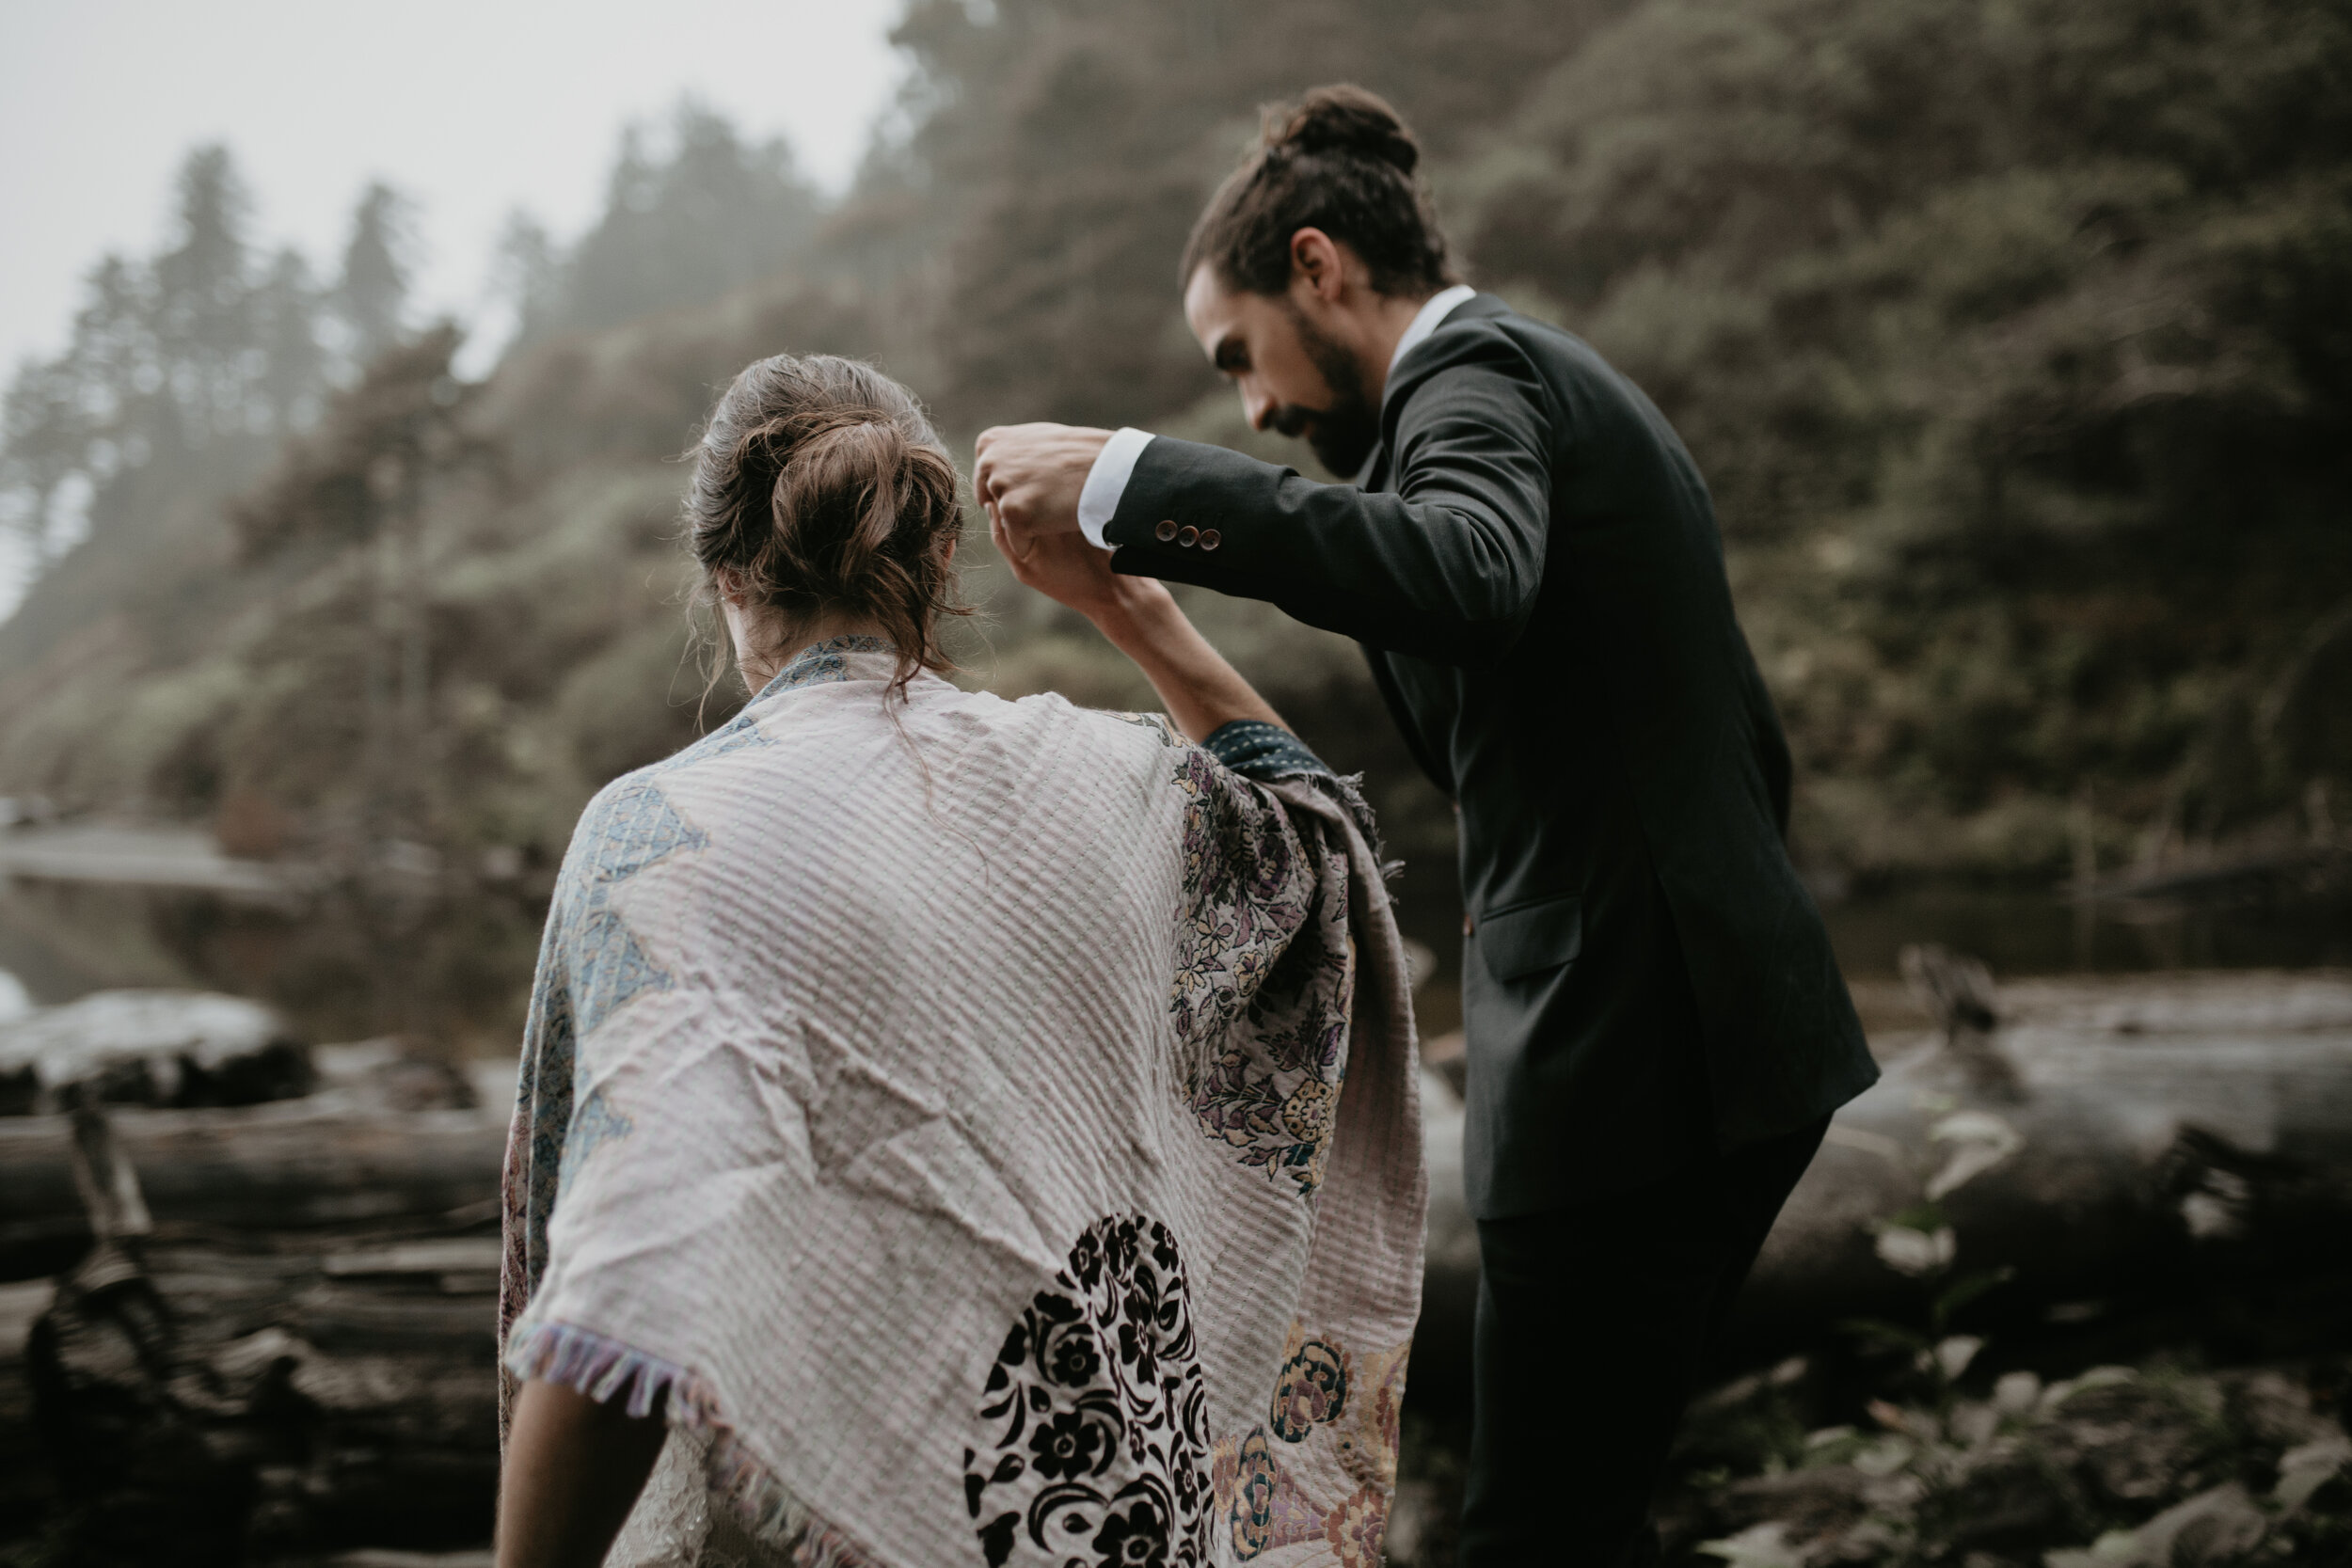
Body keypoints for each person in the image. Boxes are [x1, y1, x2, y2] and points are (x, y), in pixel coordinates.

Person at [975, 86, 1881, 1564]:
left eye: (1238, 356)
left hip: (1636, 1065)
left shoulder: (1477, 378)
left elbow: (1463, 575)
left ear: (1318, 269)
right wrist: (1134, 609)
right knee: (1580, 1509)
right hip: (1678, 1045)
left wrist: (1135, 477)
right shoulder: (1499, 404)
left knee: (1538, 1528)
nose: (1253, 405)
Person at [493, 353, 1426, 1568]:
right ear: (939, 560)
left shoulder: (664, 838)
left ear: (724, 578)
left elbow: (628, 1279)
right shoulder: (1121, 782)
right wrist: (1129, 607)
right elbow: (1317, 845)